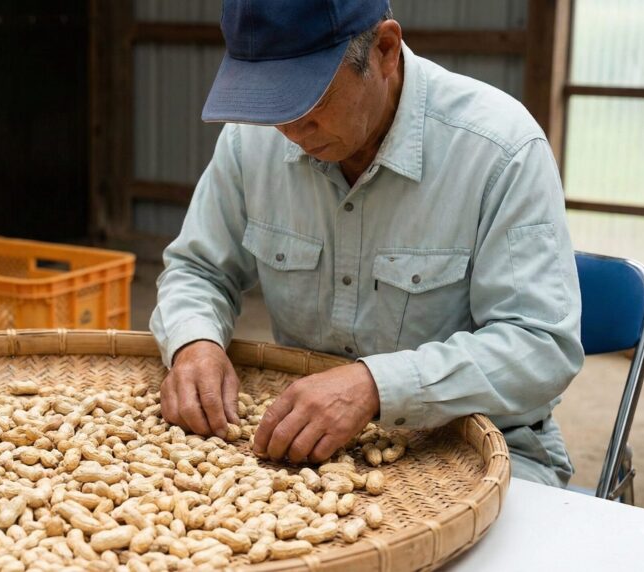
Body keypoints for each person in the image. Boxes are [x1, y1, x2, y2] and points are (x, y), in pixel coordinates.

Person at [149, 0, 584, 487]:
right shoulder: (252, 141)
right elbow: (199, 269)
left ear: (385, 50)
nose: (290, 131)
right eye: (270, 103)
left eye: (309, 100)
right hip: (308, 452)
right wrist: (195, 344)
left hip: (482, 446)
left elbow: (542, 345)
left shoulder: (501, 149)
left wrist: (375, 386)